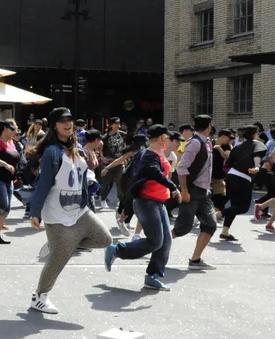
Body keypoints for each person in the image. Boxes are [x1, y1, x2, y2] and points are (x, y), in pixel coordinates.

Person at [25, 107, 111, 314]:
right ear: (54, 125)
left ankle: (61, 244)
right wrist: (35, 212)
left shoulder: (77, 148)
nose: (67, 123)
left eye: (70, 120)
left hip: (79, 209)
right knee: (59, 259)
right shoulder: (51, 152)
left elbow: (83, 174)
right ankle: (39, 297)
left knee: (105, 239)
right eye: (62, 121)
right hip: (56, 211)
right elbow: (44, 183)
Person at [104, 124, 179, 291]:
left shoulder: (152, 154)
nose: (169, 140)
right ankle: (117, 250)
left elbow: (130, 175)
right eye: (167, 137)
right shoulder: (148, 154)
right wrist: (173, 187)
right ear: (162, 138)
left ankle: (153, 277)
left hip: (158, 202)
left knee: (165, 241)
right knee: (155, 241)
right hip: (147, 202)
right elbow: (152, 172)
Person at [173, 114, 217, 269]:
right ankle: (153, 245)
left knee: (210, 224)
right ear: (209, 126)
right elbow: (182, 168)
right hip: (192, 190)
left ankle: (195, 260)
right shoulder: (195, 143)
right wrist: (184, 191)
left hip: (204, 191)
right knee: (182, 228)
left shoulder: (207, 142)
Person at [218, 126, 264, 243]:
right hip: (243, 178)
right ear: (254, 134)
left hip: (231, 176)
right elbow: (257, 156)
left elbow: (228, 163)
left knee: (234, 206)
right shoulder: (257, 144)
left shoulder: (237, 147)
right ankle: (217, 215)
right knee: (243, 207)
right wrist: (257, 167)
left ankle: (225, 231)